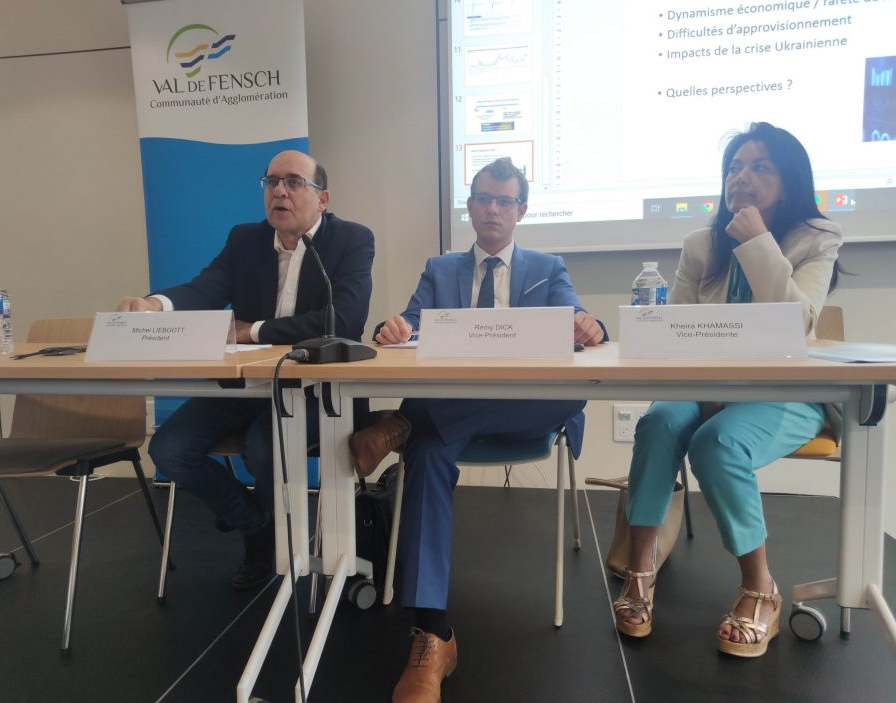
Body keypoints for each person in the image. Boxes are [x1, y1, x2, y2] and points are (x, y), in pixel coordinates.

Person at [350, 157, 606, 703]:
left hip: (526, 409)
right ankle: (433, 634)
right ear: (469, 206)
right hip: (455, 409)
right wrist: (393, 328)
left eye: (505, 201)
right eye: (484, 199)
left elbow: (578, 320)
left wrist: (590, 324)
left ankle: (402, 423)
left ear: (521, 210)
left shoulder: (548, 267)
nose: (493, 209)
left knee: (566, 392)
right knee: (427, 454)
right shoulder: (441, 269)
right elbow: (410, 322)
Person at [614, 123, 843, 657]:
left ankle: (761, 588)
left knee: (717, 442)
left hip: (785, 391)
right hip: (703, 383)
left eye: (760, 167)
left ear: (788, 182)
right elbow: (675, 330)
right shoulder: (700, 244)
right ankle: (640, 569)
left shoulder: (817, 238)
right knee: (659, 421)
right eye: (735, 168)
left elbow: (797, 324)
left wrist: (757, 241)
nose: (741, 178)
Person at [118, 150, 374, 590]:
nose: (279, 191)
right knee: (170, 449)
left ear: (322, 198)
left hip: (317, 391)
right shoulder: (245, 239)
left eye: (293, 182)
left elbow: (344, 321)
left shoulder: (351, 239)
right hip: (249, 386)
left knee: (263, 447)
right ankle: (258, 528)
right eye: (272, 182)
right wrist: (155, 304)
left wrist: (253, 331)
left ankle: (278, 546)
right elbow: (204, 288)